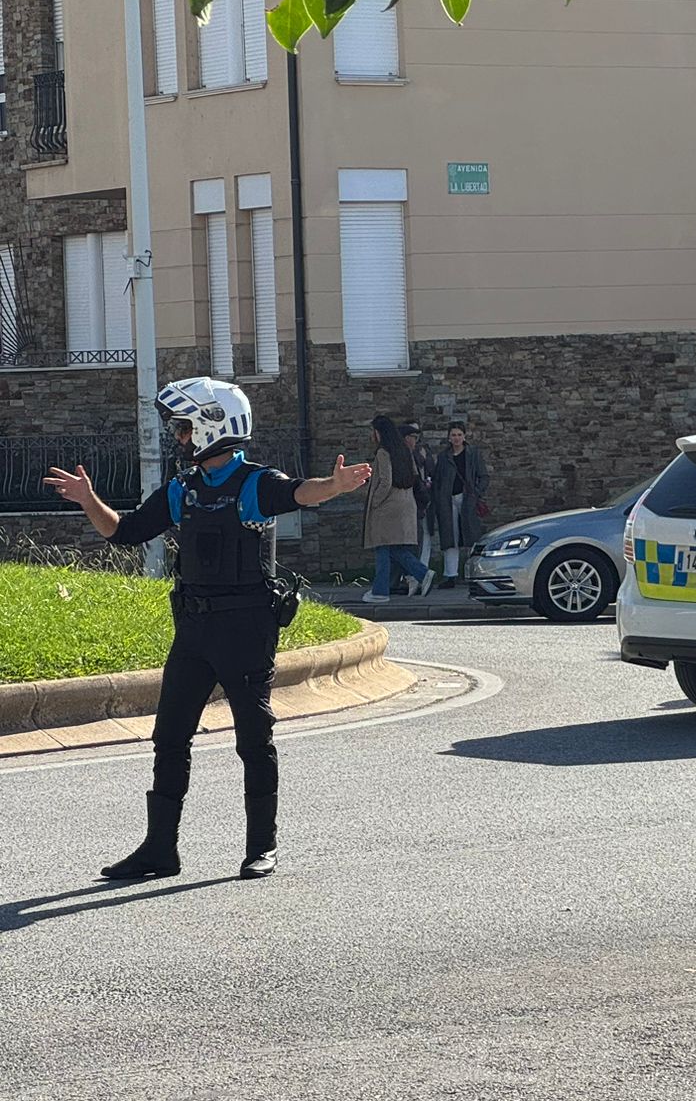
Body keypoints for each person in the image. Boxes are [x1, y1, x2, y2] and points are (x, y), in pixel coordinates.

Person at [43, 376, 370, 881]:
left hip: (245, 629)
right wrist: (89, 500)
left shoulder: (256, 482)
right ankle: (159, 851)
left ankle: (262, 846)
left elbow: (300, 494)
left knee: (253, 740)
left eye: (182, 428)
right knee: (169, 737)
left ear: (211, 426)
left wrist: (335, 486)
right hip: (194, 630)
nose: (178, 438)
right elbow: (124, 532)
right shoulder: (183, 488)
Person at [363, 415, 432, 603]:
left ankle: (380, 592)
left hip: (388, 506)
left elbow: (385, 481)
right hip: (405, 504)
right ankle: (422, 574)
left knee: (383, 547)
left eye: (373, 432)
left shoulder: (383, 453)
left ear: (379, 433)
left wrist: (374, 501)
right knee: (394, 548)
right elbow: (415, 475)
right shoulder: (404, 451)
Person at [434, 421, 490, 585]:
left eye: (459, 434)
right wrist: (439, 496)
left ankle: (474, 573)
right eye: (453, 435)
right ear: (449, 437)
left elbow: (484, 476)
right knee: (450, 537)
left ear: (464, 436)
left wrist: (476, 493)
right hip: (447, 500)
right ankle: (450, 574)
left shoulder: (472, 454)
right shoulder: (444, 457)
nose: (456, 438)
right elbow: (438, 479)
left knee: (471, 535)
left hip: (467, 499)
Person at [402, 423, 437, 575]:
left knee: (423, 537)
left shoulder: (423, 452)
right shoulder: (404, 455)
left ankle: (421, 571)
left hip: (421, 500)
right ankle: (415, 574)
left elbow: (429, 471)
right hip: (410, 501)